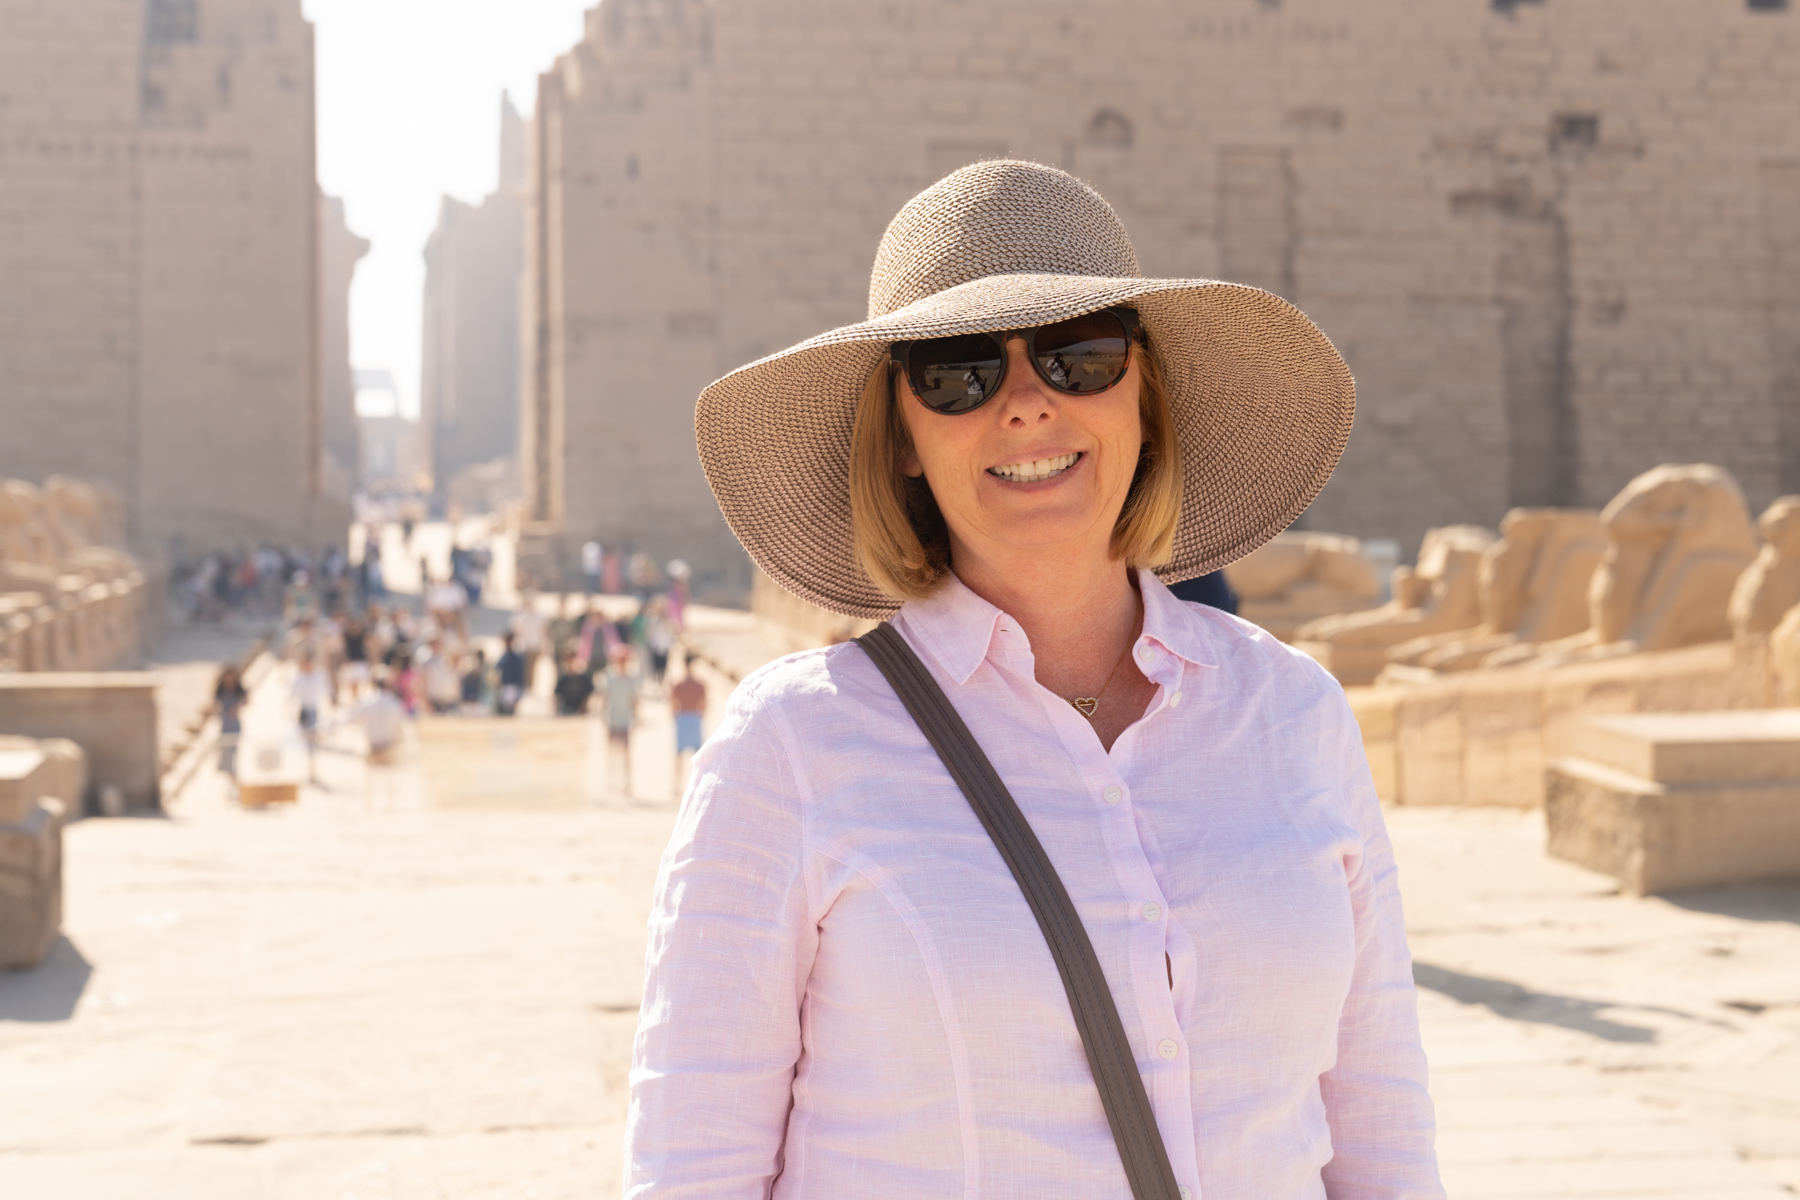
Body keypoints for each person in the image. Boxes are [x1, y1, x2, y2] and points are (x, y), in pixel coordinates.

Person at [626, 162, 1443, 1197]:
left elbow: (1378, 1121)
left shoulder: (1291, 712)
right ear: (905, 438)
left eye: (1078, 357)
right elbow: (693, 1166)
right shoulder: (789, 747)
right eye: (957, 373)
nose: (1025, 405)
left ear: (1146, 396)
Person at [288, 650, 332, 782]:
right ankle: (309, 770)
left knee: (312, 742)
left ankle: (313, 771)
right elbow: (292, 696)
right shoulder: (298, 678)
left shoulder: (319, 675)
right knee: (305, 742)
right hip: (303, 711)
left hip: (314, 710)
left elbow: (326, 692)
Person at [601, 643, 638, 794]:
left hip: (625, 721)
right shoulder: (610, 679)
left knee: (626, 753)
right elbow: (605, 699)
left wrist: (635, 718)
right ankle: (612, 781)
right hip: (612, 720)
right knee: (612, 752)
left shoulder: (631, 680)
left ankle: (626, 782)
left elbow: (634, 701)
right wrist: (603, 716)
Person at [668, 653, 706, 791]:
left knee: (678, 754)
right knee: (698, 755)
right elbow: (704, 704)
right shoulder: (699, 684)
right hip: (694, 717)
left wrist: (675, 717)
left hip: (682, 717)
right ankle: (697, 784)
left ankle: (676, 785)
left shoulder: (679, 684)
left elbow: (673, 704)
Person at [214, 663, 248, 780]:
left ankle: (234, 779)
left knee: (233, 752)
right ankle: (231, 780)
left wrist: (237, 707)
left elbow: (246, 700)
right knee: (225, 754)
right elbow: (215, 703)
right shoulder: (220, 689)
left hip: (235, 724)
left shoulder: (238, 689)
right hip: (224, 724)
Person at [553, 649, 596, 716]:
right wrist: (557, 711)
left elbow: (587, 695)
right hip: (566, 711)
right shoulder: (563, 679)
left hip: (581, 712)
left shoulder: (584, 678)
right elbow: (558, 696)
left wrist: (582, 708)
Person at [496, 632, 528, 716]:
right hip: (504, 686)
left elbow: (520, 675)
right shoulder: (504, 656)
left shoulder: (516, 658)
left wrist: (519, 689)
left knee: (509, 712)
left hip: (512, 687)